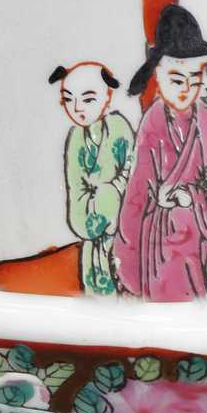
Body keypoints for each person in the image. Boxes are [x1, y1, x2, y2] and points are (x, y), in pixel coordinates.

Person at [115, 4, 207, 300]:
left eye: (195, 79)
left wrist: (192, 198)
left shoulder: (206, 121)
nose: (186, 89)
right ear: (158, 76)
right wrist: (128, 254)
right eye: (176, 79)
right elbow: (138, 191)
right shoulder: (152, 123)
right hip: (158, 240)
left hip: (197, 237)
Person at [49, 61, 135, 296]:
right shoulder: (75, 137)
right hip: (92, 236)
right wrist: (100, 207)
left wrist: (106, 196)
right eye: (68, 99)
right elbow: (75, 191)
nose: (77, 108)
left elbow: (131, 172)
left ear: (107, 97)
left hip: (124, 231)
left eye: (88, 100)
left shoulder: (119, 127)